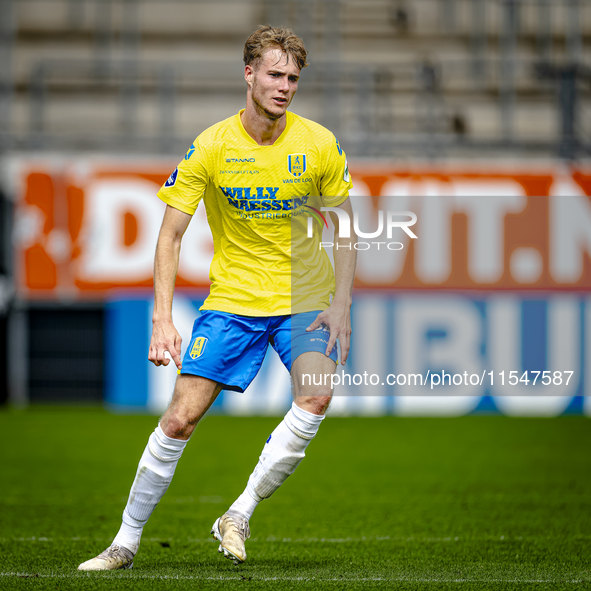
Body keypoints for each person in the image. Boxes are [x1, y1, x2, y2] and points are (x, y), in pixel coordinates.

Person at [78, 24, 356, 571]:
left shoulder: (319, 143)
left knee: (317, 396)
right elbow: (170, 234)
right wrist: (162, 318)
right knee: (180, 419)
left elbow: (343, 227)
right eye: (274, 75)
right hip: (233, 301)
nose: (284, 87)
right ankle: (125, 542)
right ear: (249, 74)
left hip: (304, 296)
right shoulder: (211, 145)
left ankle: (240, 512)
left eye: (293, 78)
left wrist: (341, 302)